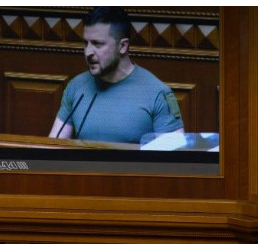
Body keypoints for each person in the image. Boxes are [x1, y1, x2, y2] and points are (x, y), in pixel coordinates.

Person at [48, 7, 183, 144]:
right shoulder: (76, 87)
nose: (88, 52)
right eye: (85, 43)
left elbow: (174, 159)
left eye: (97, 44)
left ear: (123, 46)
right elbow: (53, 148)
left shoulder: (157, 93)